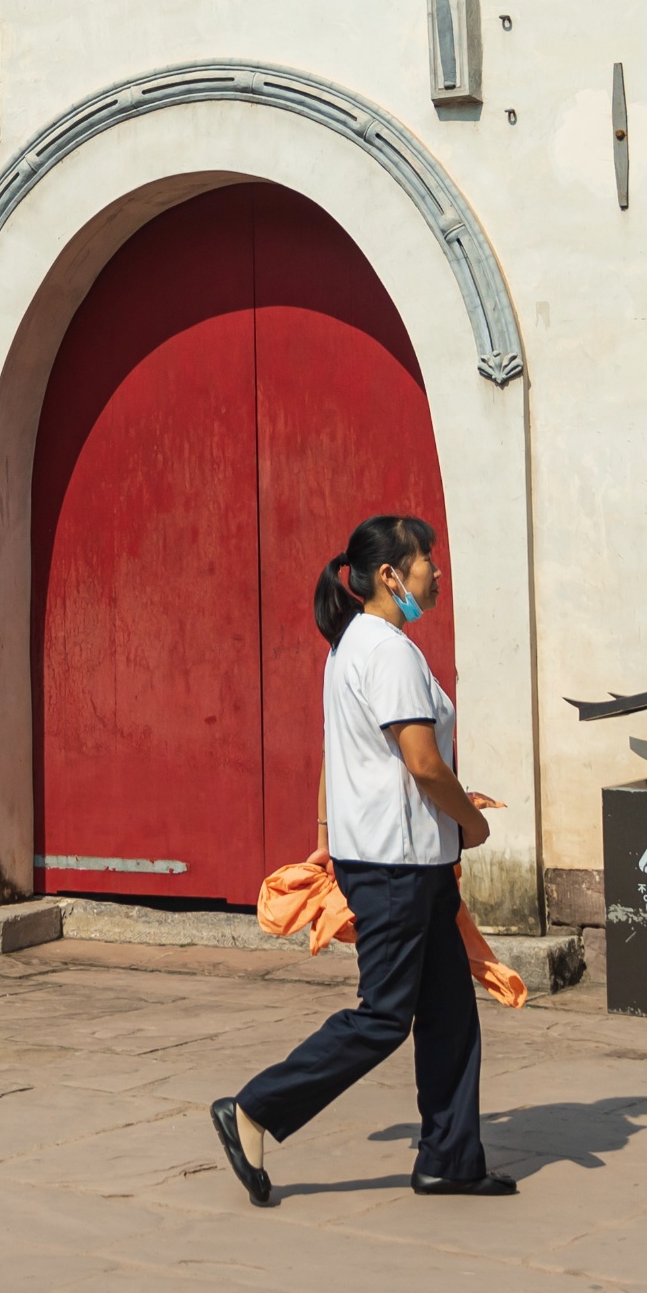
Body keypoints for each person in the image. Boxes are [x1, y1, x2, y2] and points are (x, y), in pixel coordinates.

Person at [212, 515, 514, 1204]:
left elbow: (339, 752)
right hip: (396, 867)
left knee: (450, 1013)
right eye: (425, 561)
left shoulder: (355, 644)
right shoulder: (387, 651)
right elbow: (421, 761)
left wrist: (326, 830)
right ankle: (255, 1107)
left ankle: (450, 1158)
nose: (435, 572)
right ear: (389, 575)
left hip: (400, 864)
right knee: (383, 1015)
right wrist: (470, 823)